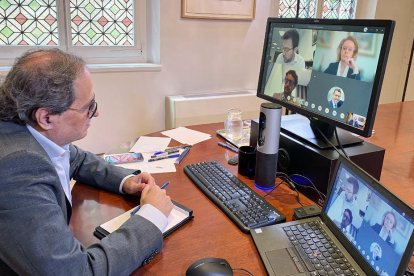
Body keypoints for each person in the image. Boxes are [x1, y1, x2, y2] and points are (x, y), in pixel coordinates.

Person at [0, 49, 173, 275]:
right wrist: (153, 215)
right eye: (88, 107)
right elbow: (79, 271)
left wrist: (126, 181)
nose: (97, 112)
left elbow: (77, 159)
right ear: (46, 117)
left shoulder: (24, 128)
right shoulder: (18, 167)